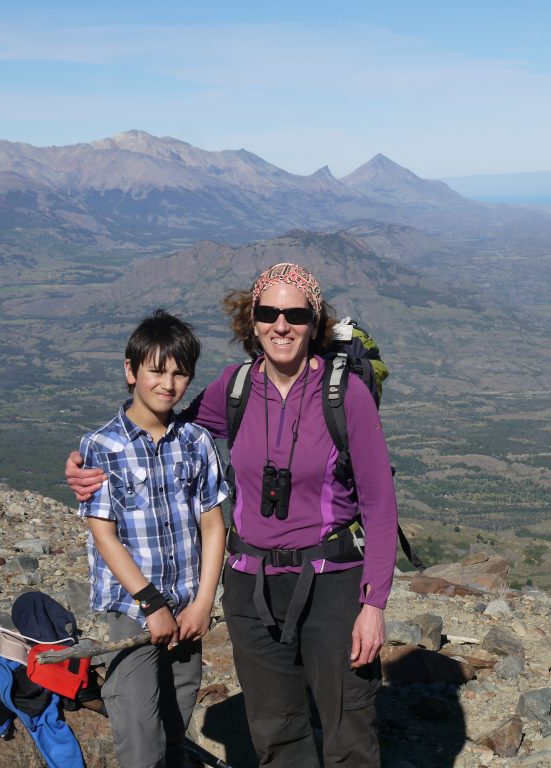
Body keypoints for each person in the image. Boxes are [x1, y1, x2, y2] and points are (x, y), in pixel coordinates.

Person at [68, 263, 398, 768]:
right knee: (275, 729)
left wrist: (373, 606)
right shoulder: (235, 387)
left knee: (349, 726)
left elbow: (379, 502)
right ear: (253, 319)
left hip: (332, 580)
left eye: (295, 314)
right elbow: (165, 428)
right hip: (251, 586)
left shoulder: (343, 394)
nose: (281, 325)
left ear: (315, 322)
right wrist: (84, 463)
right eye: (268, 312)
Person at [78, 309, 229, 768]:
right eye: (156, 371)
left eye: (180, 373)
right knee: (140, 736)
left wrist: (203, 603)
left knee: (175, 722)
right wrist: (150, 603)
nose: (168, 383)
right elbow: (103, 534)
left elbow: (213, 523)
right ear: (131, 370)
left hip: (187, 610)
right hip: (135, 613)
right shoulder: (102, 445)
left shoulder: (197, 441)